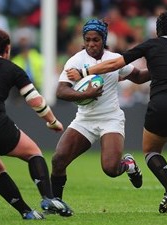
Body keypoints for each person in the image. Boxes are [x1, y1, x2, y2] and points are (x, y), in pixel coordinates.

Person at [67, 9, 167, 213]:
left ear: (158, 30)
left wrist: (85, 72)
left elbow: (117, 62)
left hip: (163, 100)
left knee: (151, 151)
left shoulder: (152, 44)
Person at [0, 28, 73, 220]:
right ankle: (48, 198)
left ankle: (27, 212)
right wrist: (53, 121)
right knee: (33, 153)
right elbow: (35, 100)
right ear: (7, 49)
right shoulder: (11, 68)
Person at [51, 18, 145, 204]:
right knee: (58, 160)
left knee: (110, 169)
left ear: (104, 39)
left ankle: (127, 164)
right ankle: (56, 203)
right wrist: (85, 94)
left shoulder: (114, 60)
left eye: (95, 40)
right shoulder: (75, 61)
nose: (91, 44)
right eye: (87, 40)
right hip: (84, 119)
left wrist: (163, 68)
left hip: (110, 118)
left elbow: (139, 77)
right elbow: (60, 91)